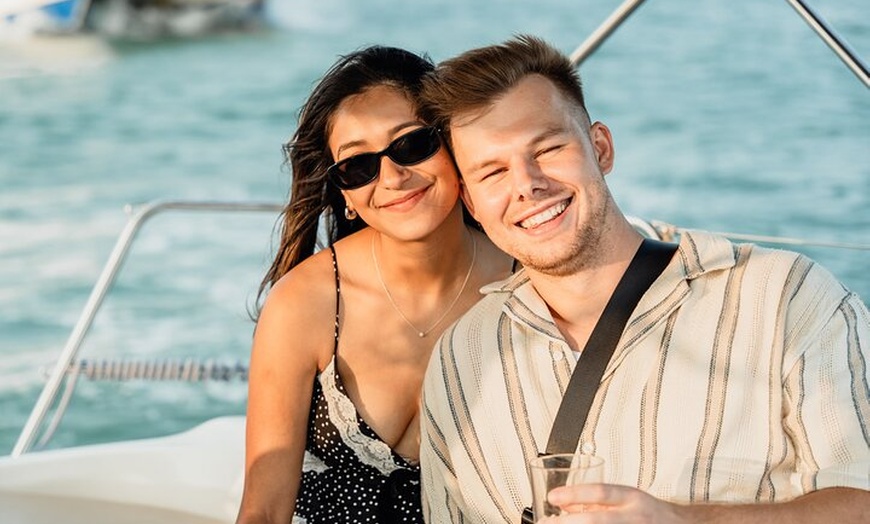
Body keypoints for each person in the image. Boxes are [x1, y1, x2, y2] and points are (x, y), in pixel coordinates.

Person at [418, 35, 870, 523]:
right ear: (470, 203)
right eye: (493, 172)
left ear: (601, 148)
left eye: (547, 149)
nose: (527, 183)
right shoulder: (459, 358)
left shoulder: (788, 297)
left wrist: (682, 521)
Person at [235, 45, 514, 524]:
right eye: (358, 166)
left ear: (453, 145)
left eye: (411, 145)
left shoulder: (528, 282)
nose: (391, 176)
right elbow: (264, 510)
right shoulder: (306, 304)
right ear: (344, 193)